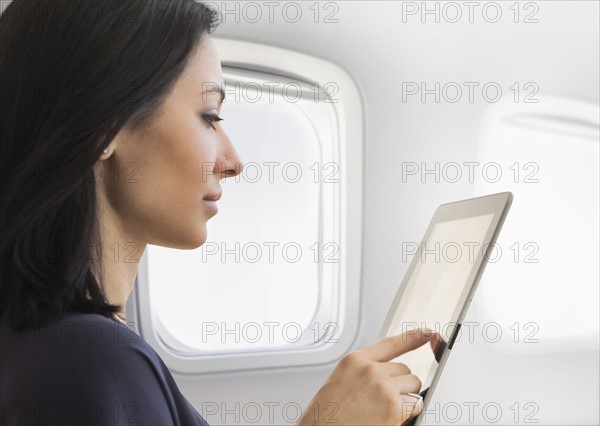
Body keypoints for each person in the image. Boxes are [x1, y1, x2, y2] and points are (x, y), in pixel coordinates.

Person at [0, 1, 434, 424]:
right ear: (104, 129)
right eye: (209, 116)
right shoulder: (92, 361)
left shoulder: (55, 344)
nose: (234, 161)